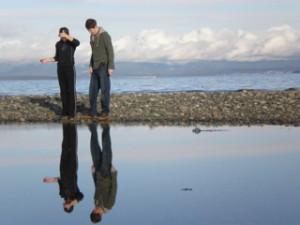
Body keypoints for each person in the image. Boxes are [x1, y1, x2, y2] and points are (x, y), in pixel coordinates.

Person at [40, 27, 80, 119]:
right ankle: (65, 111)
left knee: (71, 90)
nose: (62, 37)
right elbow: (56, 57)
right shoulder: (58, 44)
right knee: (63, 90)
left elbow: (78, 42)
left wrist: (66, 36)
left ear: (67, 34)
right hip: (60, 68)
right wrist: (47, 60)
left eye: (63, 34)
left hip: (70, 68)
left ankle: (72, 112)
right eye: (60, 35)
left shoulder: (72, 43)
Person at [43, 123, 84, 213]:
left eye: (65, 205)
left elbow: (59, 180)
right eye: (68, 206)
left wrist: (49, 180)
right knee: (72, 147)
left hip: (63, 169)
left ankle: (66, 125)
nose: (66, 204)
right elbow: (81, 196)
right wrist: (72, 203)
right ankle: (72, 125)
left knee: (65, 147)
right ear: (71, 206)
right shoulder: (75, 196)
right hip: (72, 170)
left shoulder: (62, 194)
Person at [83, 18, 115, 121]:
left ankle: (105, 112)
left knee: (104, 91)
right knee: (92, 90)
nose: (90, 32)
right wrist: (90, 66)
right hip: (95, 67)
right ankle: (92, 112)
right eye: (88, 30)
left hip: (104, 66)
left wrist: (111, 67)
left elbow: (110, 51)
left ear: (95, 27)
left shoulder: (105, 35)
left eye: (91, 30)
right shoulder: (92, 37)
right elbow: (93, 53)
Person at [89, 123, 117, 223]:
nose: (93, 209)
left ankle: (92, 126)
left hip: (97, 172)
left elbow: (97, 186)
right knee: (106, 147)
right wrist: (114, 173)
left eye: (93, 211)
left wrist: (93, 173)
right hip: (106, 173)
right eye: (94, 211)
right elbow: (113, 189)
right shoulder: (109, 205)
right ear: (99, 213)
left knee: (93, 147)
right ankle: (105, 125)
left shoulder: (96, 203)